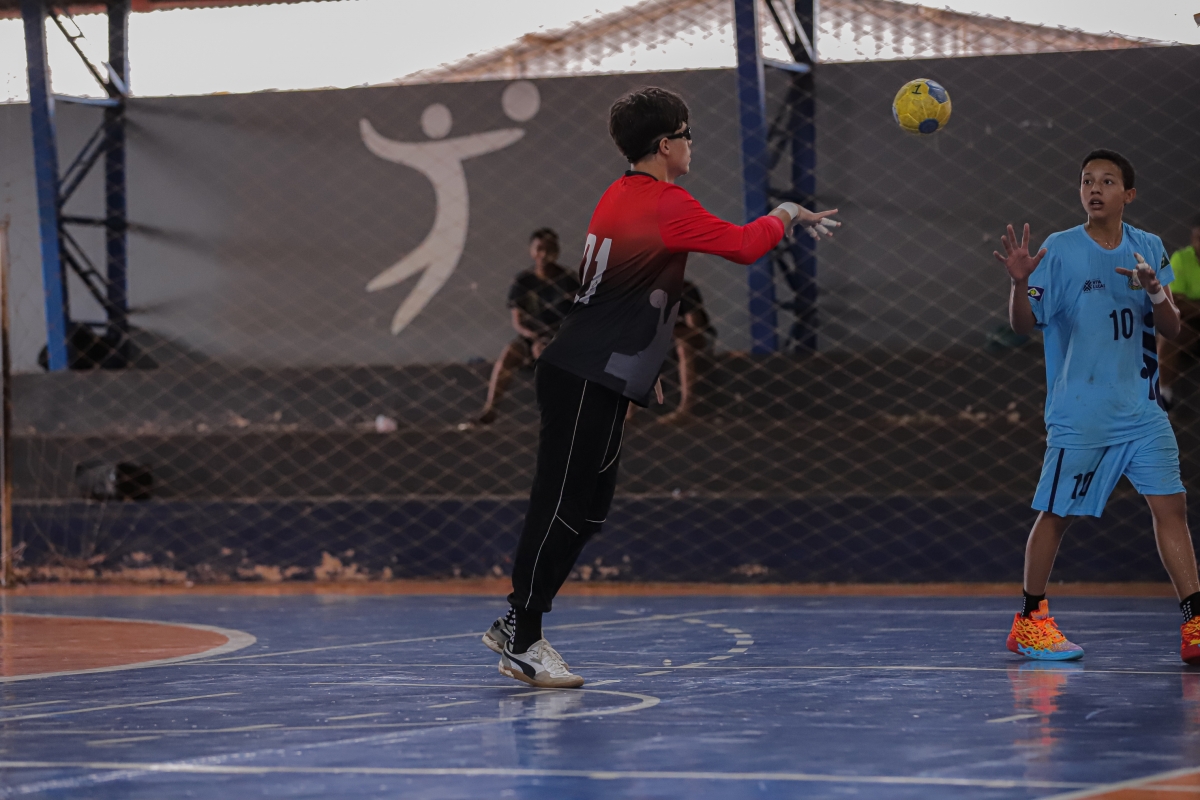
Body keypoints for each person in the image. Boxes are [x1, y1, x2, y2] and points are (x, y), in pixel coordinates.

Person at [479, 86, 839, 688]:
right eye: (688, 134)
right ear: (666, 144)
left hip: (599, 370)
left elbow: (611, 291)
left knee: (588, 511)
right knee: (561, 504)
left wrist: (642, 366)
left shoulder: (619, 194)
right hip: (584, 373)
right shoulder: (665, 201)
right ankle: (522, 632)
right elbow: (745, 246)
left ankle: (518, 621)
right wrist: (787, 211)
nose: (693, 143)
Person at [994, 149, 1200, 665]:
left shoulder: (1149, 247)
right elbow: (1023, 325)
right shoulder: (1060, 249)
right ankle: (1030, 622)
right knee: (1057, 514)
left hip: (1142, 410)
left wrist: (1156, 291)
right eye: (1087, 180)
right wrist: (1018, 283)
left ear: (1128, 194)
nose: (1095, 188)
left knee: (1171, 506)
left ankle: (1195, 624)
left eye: (1107, 181)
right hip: (1082, 413)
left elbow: (1174, 329)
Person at [476, 229, 580, 425]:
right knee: (509, 354)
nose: (544, 255)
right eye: (539, 249)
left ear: (557, 252)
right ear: (531, 251)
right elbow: (518, 322)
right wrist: (535, 338)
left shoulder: (569, 280)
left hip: (562, 339)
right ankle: (490, 409)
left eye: (549, 250)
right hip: (531, 338)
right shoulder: (523, 281)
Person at [1157, 215, 1200, 407]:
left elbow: (1183, 301)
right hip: (1189, 323)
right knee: (1170, 332)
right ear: (1192, 239)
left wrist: (1190, 303)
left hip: (1191, 314)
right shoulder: (1181, 258)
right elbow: (1175, 303)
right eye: (1198, 239)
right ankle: (1163, 393)